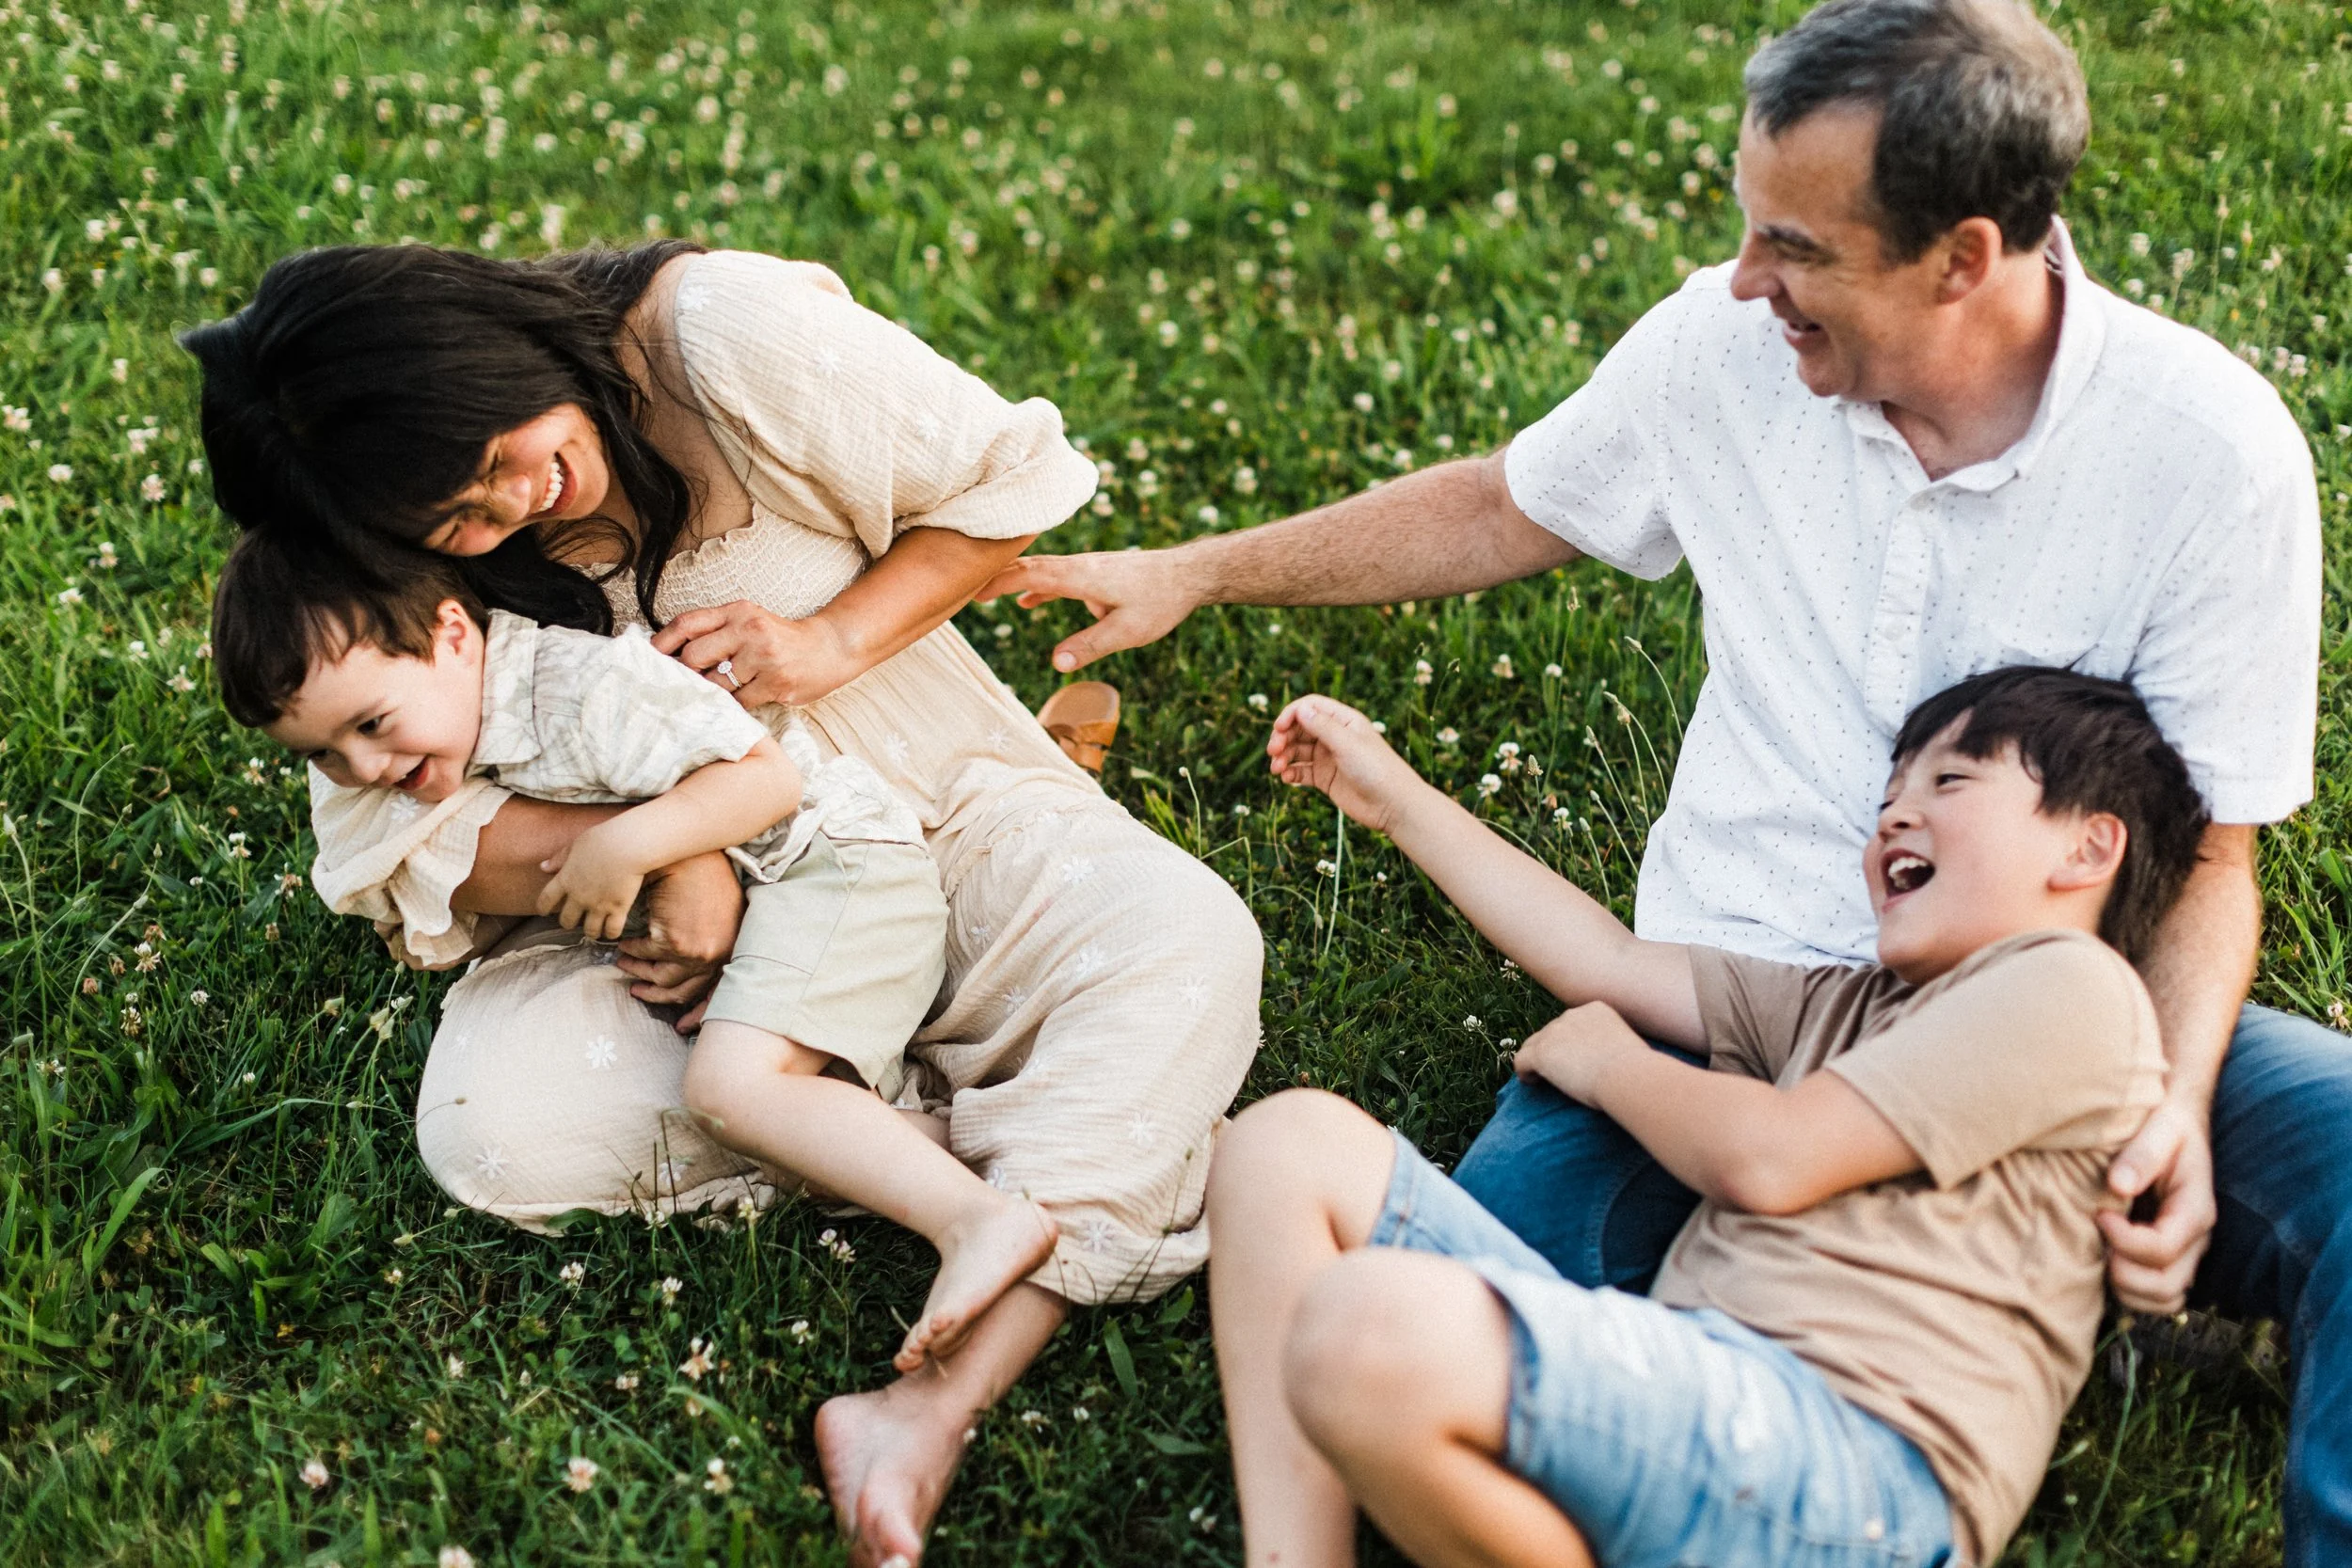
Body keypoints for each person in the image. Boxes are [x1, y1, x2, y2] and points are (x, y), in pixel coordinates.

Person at [988, 0, 2344, 1556]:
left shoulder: (2207, 452)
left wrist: (2168, 1102)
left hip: (2028, 1033)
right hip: (1719, 997)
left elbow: (2217, 862)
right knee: (1429, 1347)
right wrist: (1204, 569)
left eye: (1801, 248)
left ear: (1965, 256)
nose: (1748, 280)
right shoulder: (1728, 342)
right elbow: (1506, 502)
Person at [181, 241, 1263, 1567]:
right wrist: (660, 856)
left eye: (486, 465)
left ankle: (931, 1392)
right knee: (498, 1131)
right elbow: (379, 822)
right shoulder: (363, 525)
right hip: (648, 944)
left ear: (481, 355)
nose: (506, 513)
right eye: (450, 526)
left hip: (921, 813)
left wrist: (834, 638)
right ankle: (1027, 1141)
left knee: (1185, 940)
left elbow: (1013, 477)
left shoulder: (722, 336)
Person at [1212, 665, 2205, 1567]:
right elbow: (1603, 959)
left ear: (2089, 845)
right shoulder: (1846, 1003)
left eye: (1948, 784)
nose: (1895, 817)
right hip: (1696, 1400)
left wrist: (1608, 1064)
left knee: (1369, 1327)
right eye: (1887, 797)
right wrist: (1394, 797)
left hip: (1861, 1471)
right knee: (1283, 1145)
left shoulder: (2074, 987)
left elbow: (1773, 1156)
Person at [212, 531, 1072, 1374]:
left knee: (732, 1090)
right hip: (785, 890)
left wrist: (631, 847)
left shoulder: (581, 688)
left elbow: (766, 779)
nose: (361, 763)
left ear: (452, 633)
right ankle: (976, 1153)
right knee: (783, 1107)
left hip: (836, 866)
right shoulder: (454, 720)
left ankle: (972, 1219)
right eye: (322, 751)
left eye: (371, 723)